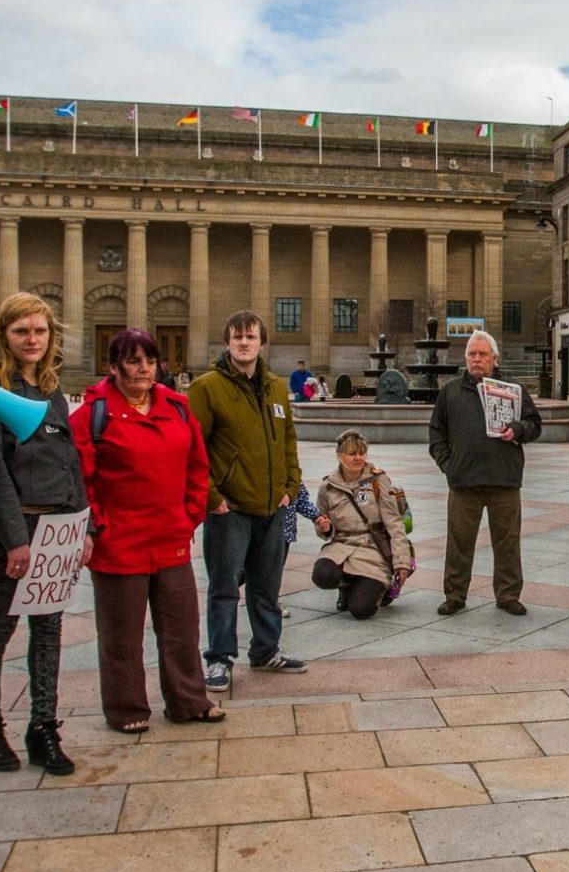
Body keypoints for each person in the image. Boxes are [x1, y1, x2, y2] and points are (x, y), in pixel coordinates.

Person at [75, 330, 221, 731]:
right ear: (113, 366)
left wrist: (190, 513)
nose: (144, 369)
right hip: (119, 542)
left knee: (181, 629)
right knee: (121, 636)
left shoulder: (176, 407)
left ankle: (188, 701)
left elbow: (197, 466)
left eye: (150, 361)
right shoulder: (93, 415)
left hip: (170, 537)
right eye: (134, 361)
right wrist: (99, 525)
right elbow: (80, 481)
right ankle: (127, 709)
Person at [0, 291, 83, 777]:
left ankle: (43, 729)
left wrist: (83, 524)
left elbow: (69, 460)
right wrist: (15, 538)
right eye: (22, 331)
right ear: (4, 336)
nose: (32, 340)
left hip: (56, 526)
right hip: (12, 530)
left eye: (39, 331)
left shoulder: (53, 388)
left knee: (48, 630)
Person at [188, 311, 307, 684]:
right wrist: (212, 498)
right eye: (237, 336)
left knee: (266, 586)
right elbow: (191, 449)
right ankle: (220, 658)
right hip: (231, 510)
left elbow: (287, 439)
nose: (244, 342)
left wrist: (290, 486)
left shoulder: (274, 386)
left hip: (272, 506)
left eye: (251, 337)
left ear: (261, 342)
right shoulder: (207, 388)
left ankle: (266, 651)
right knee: (224, 587)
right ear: (227, 342)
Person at [425, 331, 527, 615]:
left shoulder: (513, 390)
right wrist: (449, 465)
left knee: (507, 542)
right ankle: (455, 594)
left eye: (482, 354)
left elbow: (534, 425)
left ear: (494, 358)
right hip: (463, 482)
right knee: (458, 541)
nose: (476, 359)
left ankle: (508, 594)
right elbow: (436, 435)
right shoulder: (451, 392)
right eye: (472, 354)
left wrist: (518, 430)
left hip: (504, 479)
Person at [310, 432, 414, 619]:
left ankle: (379, 587)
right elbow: (323, 527)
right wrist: (324, 528)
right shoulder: (327, 486)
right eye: (351, 454)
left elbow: (394, 523)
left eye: (361, 453)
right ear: (339, 455)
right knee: (322, 574)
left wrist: (401, 562)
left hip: (371, 549)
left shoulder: (377, 480)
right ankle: (345, 586)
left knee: (361, 610)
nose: (357, 458)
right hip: (341, 546)